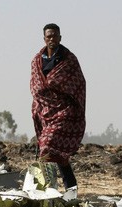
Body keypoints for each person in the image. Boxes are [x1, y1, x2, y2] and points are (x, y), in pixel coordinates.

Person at [30, 23, 86, 192]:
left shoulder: (68, 59)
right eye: (49, 36)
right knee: (60, 156)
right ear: (44, 39)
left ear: (60, 38)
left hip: (63, 111)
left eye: (55, 36)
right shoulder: (37, 60)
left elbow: (78, 83)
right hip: (45, 111)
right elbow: (35, 85)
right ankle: (71, 190)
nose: (52, 39)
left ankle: (46, 190)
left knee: (47, 146)